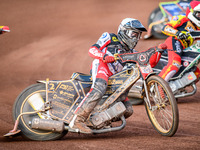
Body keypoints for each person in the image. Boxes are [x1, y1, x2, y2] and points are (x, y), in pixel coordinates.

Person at [70, 18, 147, 133]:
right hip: (102, 66)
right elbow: (92, 50)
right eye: (134, 34)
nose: (136, 38)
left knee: (128, 110)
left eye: (138, 35)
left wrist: (159, 51)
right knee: (99, 88)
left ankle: (98, 121)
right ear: (124, 31)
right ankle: (77, 120)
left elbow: (146, 62)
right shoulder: (110, 37)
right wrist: (104, 56)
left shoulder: (132, 52)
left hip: (116, 78)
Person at [158, 1, 200, 81]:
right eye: (199, 14)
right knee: (175, 64)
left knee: (196, 72)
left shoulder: (197, 28)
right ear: (192, 13)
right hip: (174, 41)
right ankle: (157, 85)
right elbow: (165, 28)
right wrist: (177, 33)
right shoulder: (183, 19)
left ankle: (175, 87)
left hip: (182, 49)